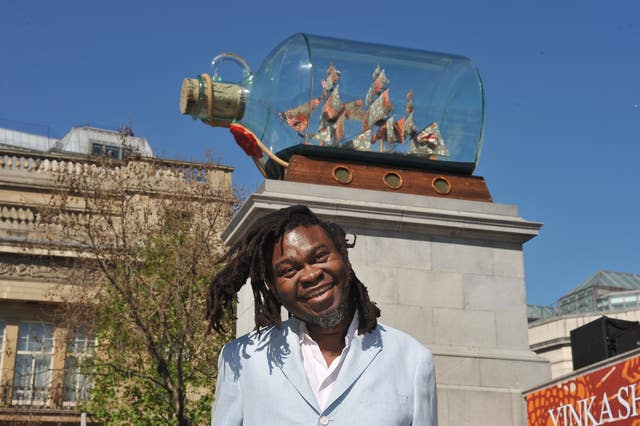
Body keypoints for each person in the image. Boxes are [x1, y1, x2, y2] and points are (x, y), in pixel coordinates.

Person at [207, 205, 437, 425]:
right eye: (289, 270)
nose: (310, 275)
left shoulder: (412, 360)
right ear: (274, 288)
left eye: (319, 257)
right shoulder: (242, 359)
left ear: (344, 258)